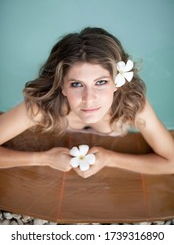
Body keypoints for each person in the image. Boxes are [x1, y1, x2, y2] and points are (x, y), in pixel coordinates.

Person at [0, 27, 174, 178]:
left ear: (117, 82)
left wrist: (110, 158)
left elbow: (171, 162)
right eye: (76, 84)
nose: (89, 98)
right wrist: (44, 159)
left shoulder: (133, 106)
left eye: (101, 82)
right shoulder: (43, 106)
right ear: (62, 86)